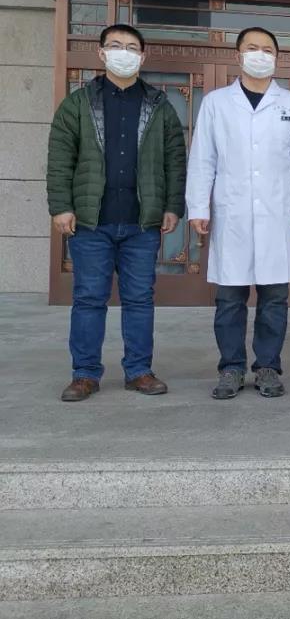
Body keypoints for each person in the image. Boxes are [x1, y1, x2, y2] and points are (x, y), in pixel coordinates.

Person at [47, 24, 187, 402]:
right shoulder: (78, 103)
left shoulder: (159, 105)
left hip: (142, 223)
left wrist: (173, 206)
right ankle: (84, 374)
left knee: (139, 299)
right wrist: (61, 206)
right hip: (91, 221)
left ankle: (139, 370)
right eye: (115, 45)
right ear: (102, 53)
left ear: (142, 56)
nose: (123, 52)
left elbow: (175, 160)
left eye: (131, 47)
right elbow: (60, 158)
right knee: (89, 299)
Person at [186, 26, 290, 400]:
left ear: (276, 58)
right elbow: (203, 158)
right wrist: (198, 206)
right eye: (252, 48)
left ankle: (267, 367)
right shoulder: (216, 103)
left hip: (278, 215)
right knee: (230, 298)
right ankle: (231, 367)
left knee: (274, 298)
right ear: (238, 55)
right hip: (232, 215)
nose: (260, 55)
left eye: (267, 50)